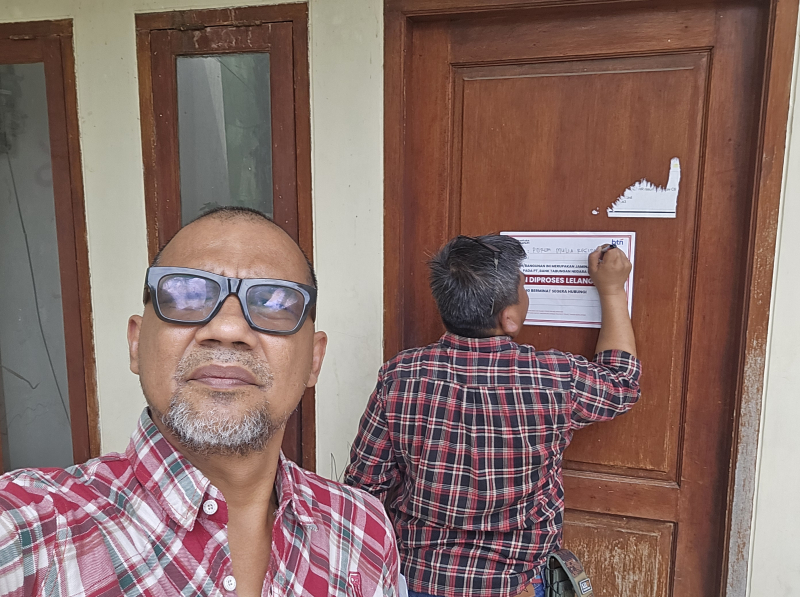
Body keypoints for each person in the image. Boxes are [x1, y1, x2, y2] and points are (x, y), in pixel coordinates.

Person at [0, 207, 400, 597]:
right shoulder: (27, 532)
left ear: (313, 361)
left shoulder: (362, 528)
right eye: (186, 296)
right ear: (136, 343)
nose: (227, 328)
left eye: (274, 303)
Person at [345, 234, 641, 597]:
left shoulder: (400, 375)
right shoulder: (553, 378)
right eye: (524, 287)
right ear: (509, 318)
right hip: (516, 583)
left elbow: (363, 487)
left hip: (419, 577)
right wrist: (612, 290)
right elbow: (621, 383)